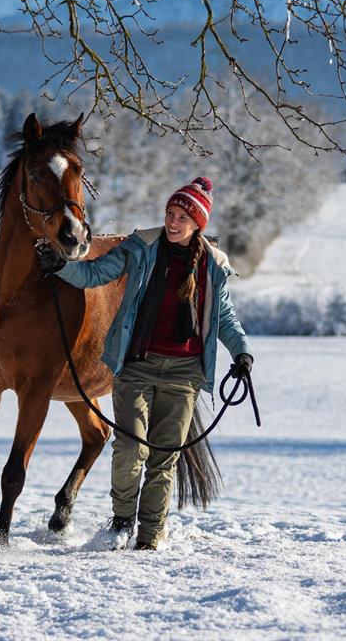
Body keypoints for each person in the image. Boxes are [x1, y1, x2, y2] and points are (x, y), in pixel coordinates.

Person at [37, 176, 254, 550]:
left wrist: (242, 353)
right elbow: (94, 275)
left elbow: (226, 318)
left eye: (182, 217)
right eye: (170, 213)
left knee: (163, 458)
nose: (172, 222)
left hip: (184, 374)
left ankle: (151, 535)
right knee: (129, 449)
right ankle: (122, 521)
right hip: (136, 365)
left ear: (197, 224)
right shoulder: (142, 247)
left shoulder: (213, 266)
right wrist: (61, 266)